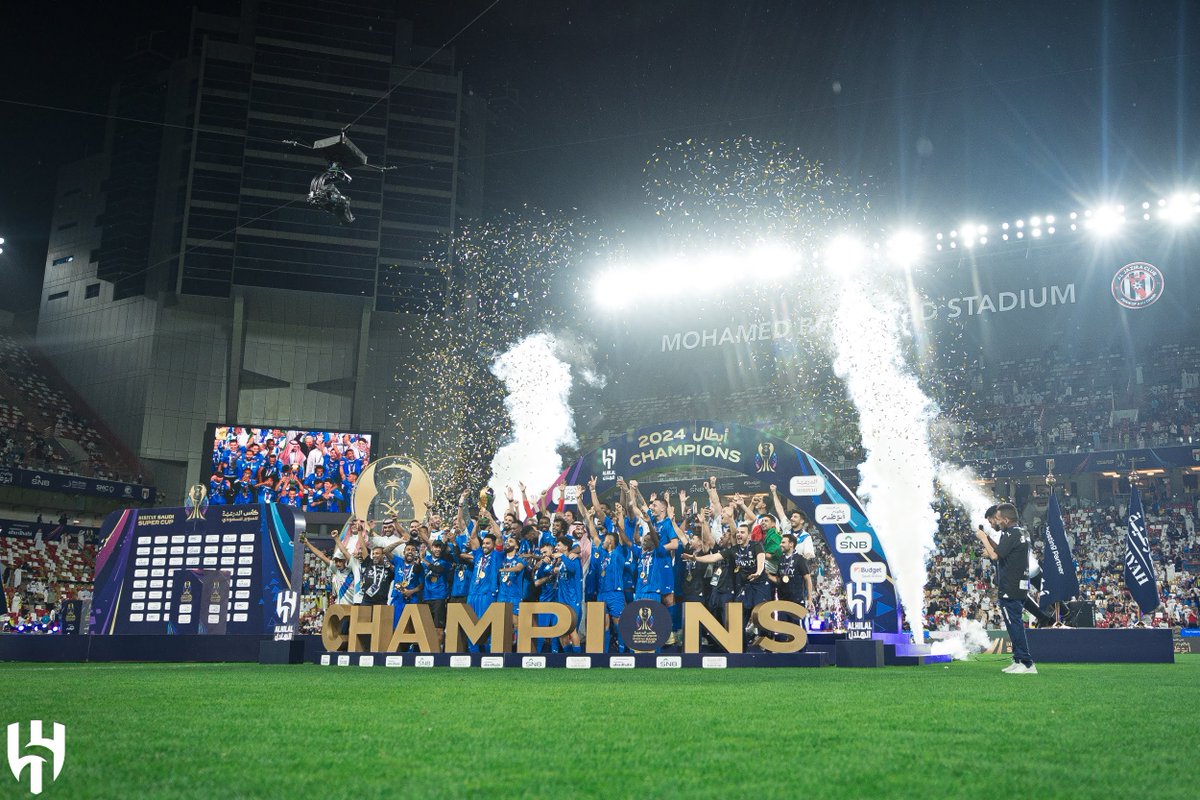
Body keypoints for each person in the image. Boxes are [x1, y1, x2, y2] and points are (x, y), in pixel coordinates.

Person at [975, 502, 1038, 674]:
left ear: (1006, 519)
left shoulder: (1011, 533)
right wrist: (988, 541)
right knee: (1013, 625)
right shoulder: (1019, 532)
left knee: (1015, 625)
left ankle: (1026, 663)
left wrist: (983, 539)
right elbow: (1002, 552)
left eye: (998, 518)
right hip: (1017, 585)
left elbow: (995, 556)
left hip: (1011, 586)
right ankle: (1018, 660)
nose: (997, 521)